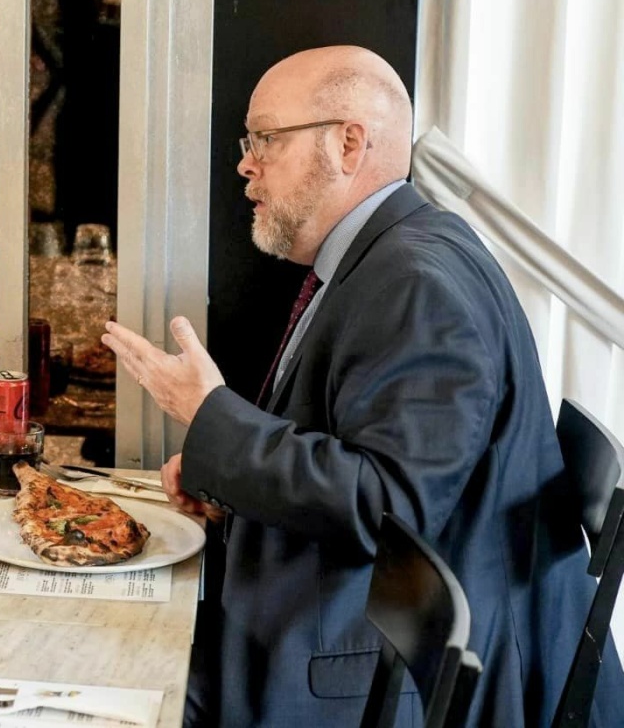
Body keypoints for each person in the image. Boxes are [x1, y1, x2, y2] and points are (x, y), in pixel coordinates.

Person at [102, 45, 624, 726]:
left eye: (266, 138)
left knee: (106, 682)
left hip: (370, 679)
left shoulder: (417, 284)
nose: (246, 164)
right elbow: (362, 462)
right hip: (347, 632)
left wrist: (210, 416)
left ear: (348, 144)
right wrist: (231, 490)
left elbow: (390, 506)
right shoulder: (391, 252)